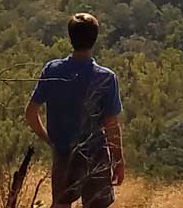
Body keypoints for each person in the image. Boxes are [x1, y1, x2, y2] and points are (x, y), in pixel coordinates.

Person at [25, 12, 125, 208]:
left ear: (70, 38)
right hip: (95, 155)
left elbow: (30, 113)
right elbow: (111, 125)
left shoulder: (52, 71)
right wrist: (118, 160)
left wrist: (50, 140)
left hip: (64, 153)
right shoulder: (105, 78)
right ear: (95, 39)